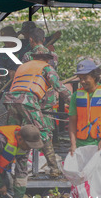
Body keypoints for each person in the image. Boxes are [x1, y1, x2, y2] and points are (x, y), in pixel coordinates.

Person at [4, 52, 71, 182]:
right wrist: (73, 102)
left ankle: (7, 167)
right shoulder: (45, 68)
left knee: (15, 134)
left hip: (10, 100)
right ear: (46, 60)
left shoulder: (23, 67)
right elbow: (59, 87)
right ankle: (54, 169)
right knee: (44, 132)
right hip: (27, 100)